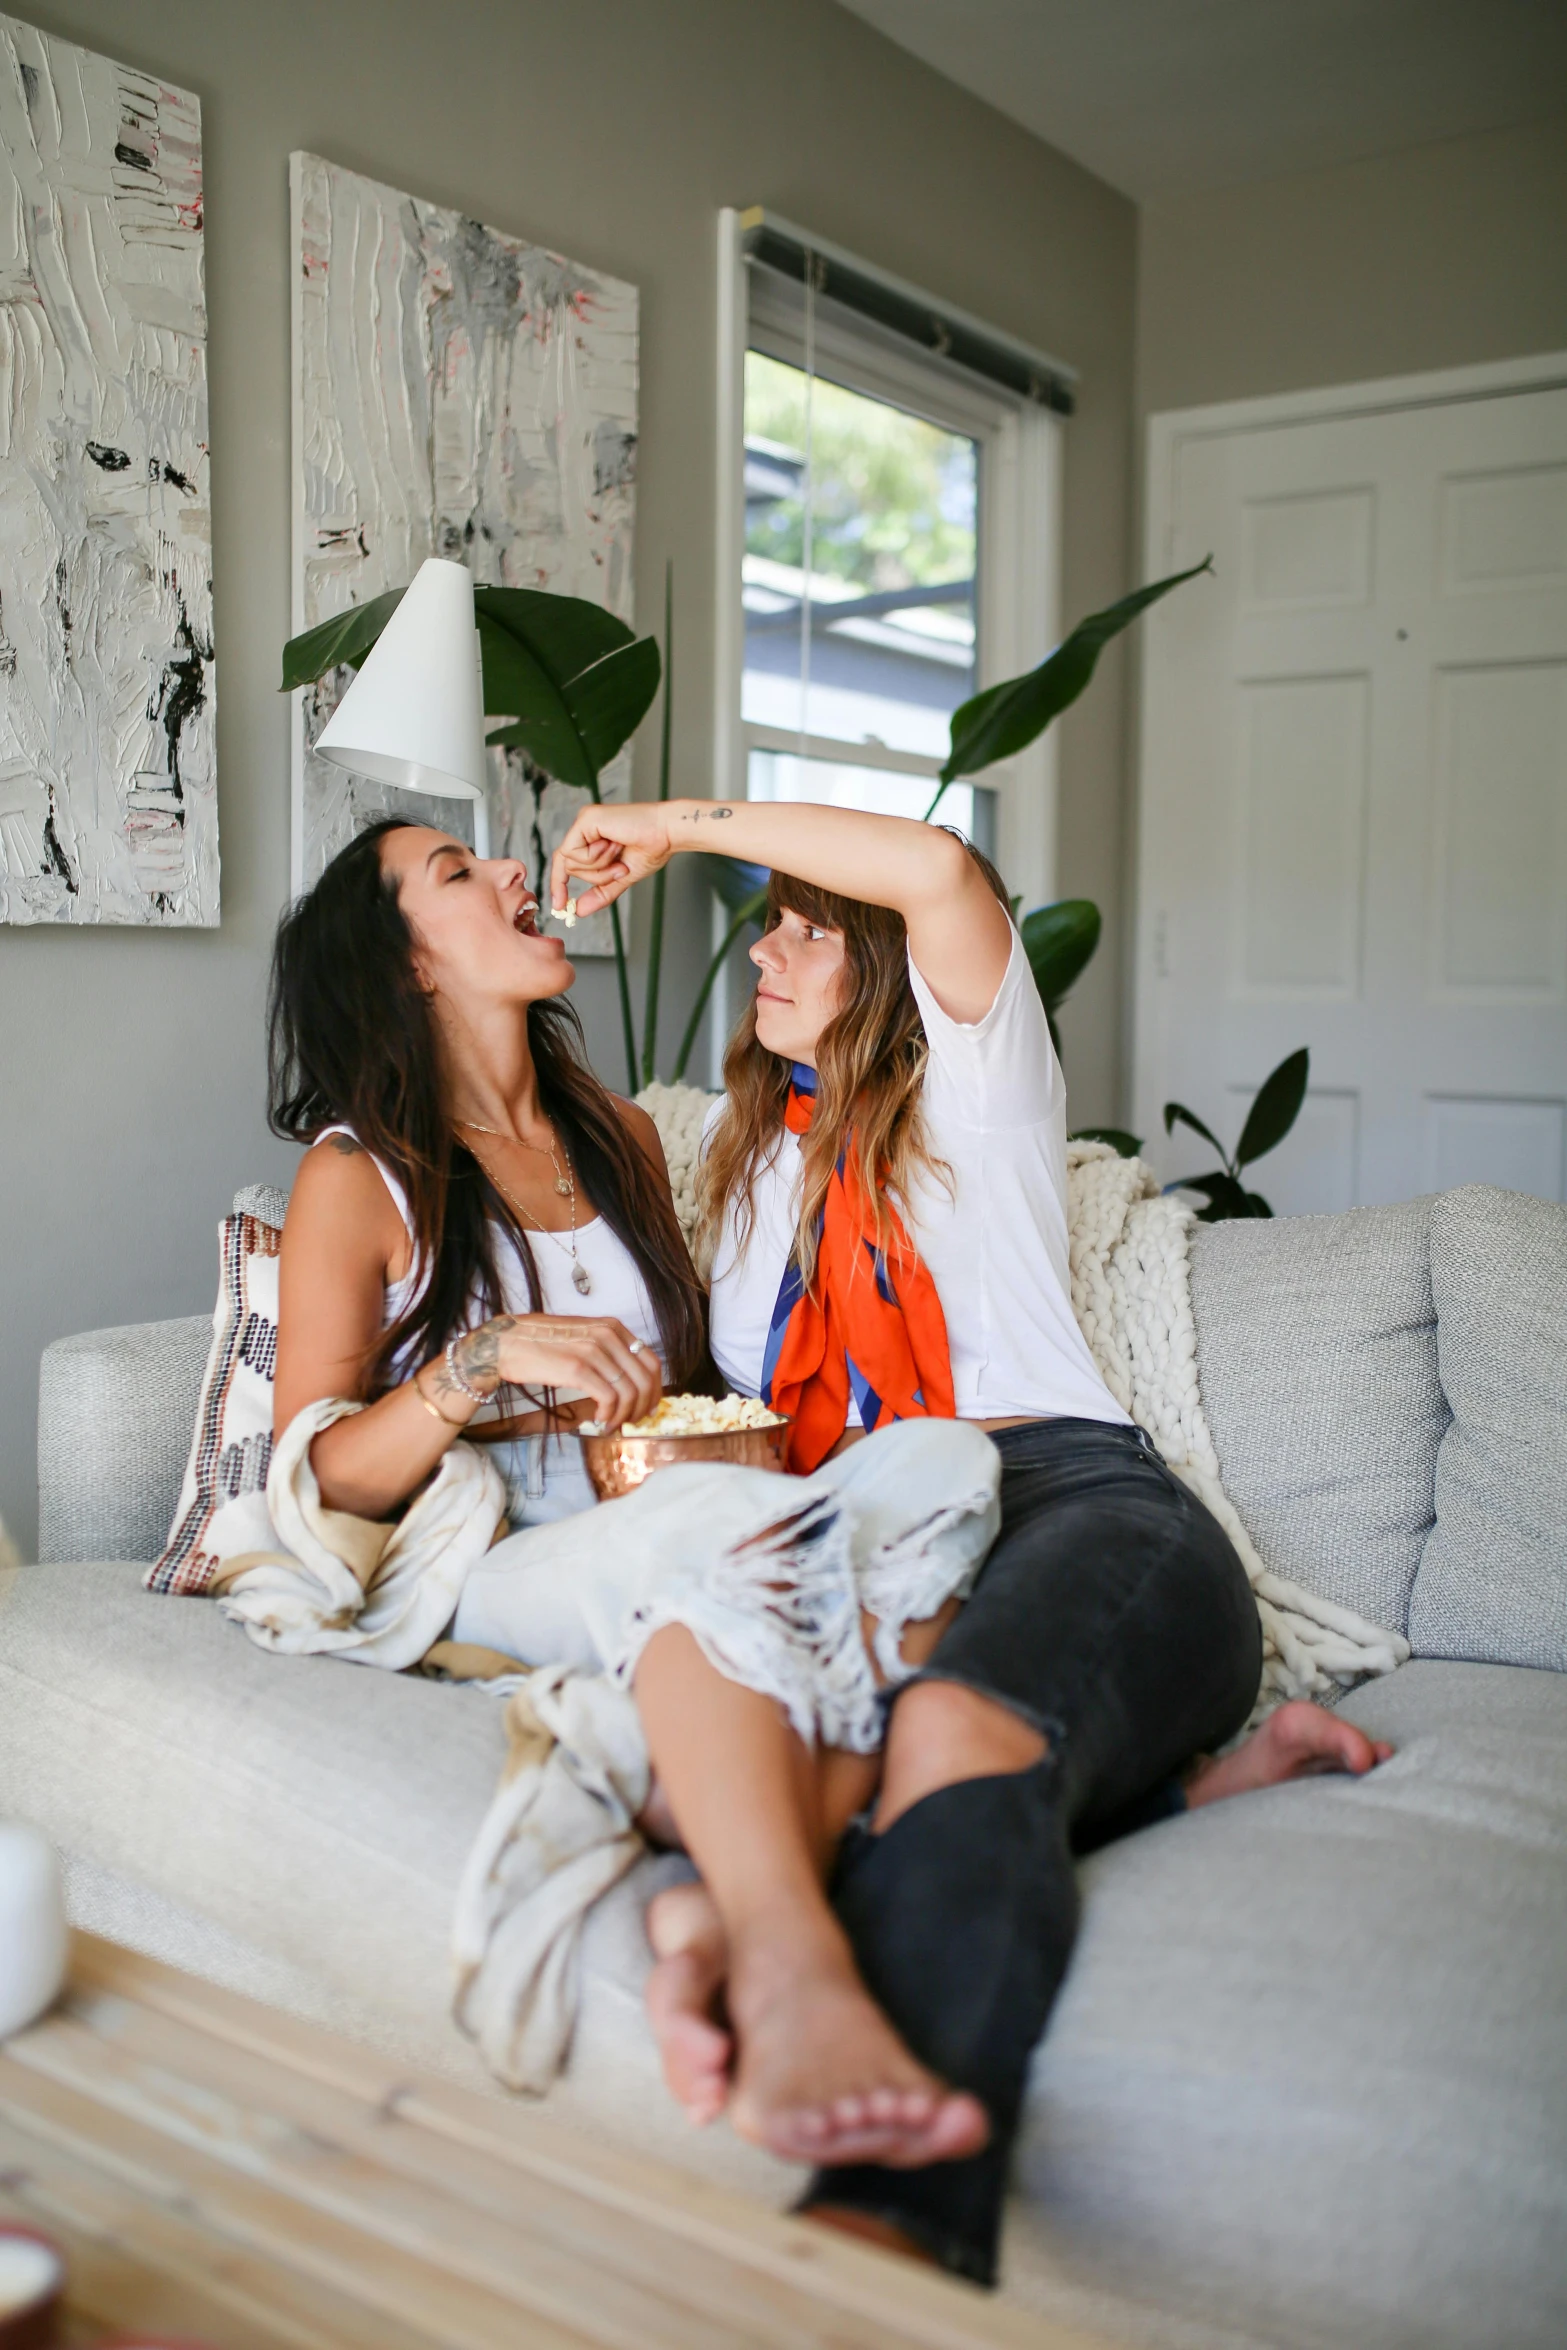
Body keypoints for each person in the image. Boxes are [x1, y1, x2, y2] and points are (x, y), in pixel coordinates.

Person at [548, 794, 1392, 2287]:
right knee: (722, 1748)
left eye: (811, 924)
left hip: (1076, 1502)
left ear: (886, 969)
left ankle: (880, 2240)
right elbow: (735, 1408)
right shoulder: (745, 1167)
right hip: (892, 1534)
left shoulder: (976, 1091)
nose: (770, 941)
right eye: (773, 916)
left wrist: (675, 825)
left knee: (942, 1724)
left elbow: (938, 869)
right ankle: (1179, 1789)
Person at [268, 816, 1004, 1829]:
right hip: (499, 1546)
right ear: (411, 969)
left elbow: (687, 1388)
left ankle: (833, 1779)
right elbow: (317, 1477)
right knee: (729, 1530)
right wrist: (480, 1360)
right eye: (458, 872)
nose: (510, 868)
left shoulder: (626, 1136)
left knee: (945, 1463)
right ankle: (883, 1739)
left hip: (666, 1500)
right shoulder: (357, 1176)